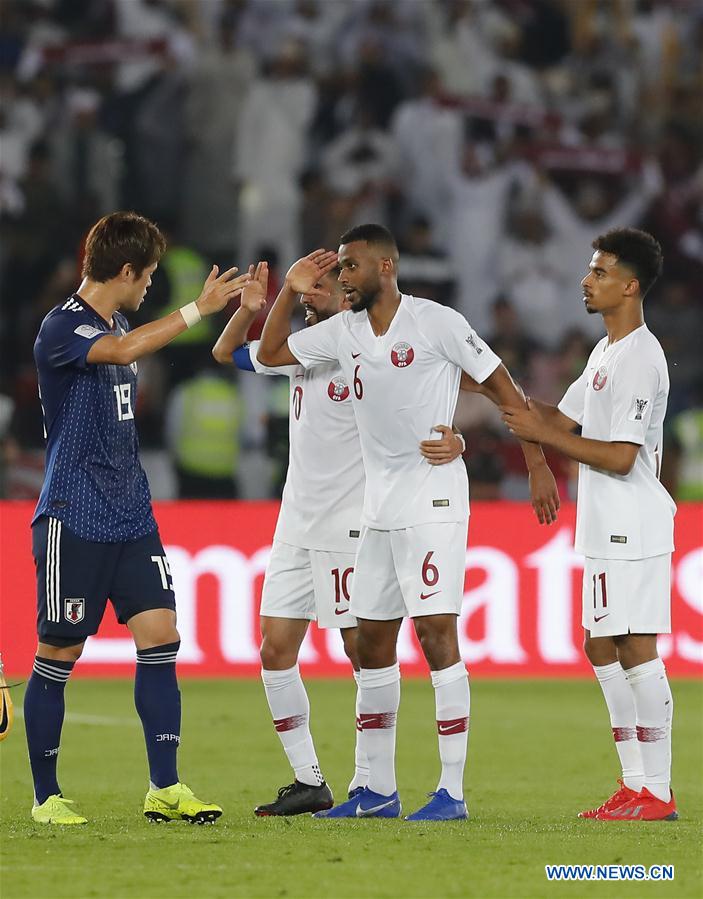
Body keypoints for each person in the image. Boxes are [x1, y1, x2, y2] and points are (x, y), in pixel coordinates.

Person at [257, 224, 560, 821]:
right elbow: (268, 356)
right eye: (339, 267)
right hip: (378, 507)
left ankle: (451, 791)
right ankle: (377, 791)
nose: (343, 276)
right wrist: (288, 294)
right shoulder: (342, 332)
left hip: (434, 500)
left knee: (436, 636)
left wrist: (537, 461)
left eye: (352, 266)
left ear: (387, 266)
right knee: (371, 642)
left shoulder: (436, 322)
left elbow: (501, 385)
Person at [212, 256, 465, 815]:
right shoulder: (301, 350)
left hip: (352, 522)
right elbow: (226, 353)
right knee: (275, 650)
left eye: (319, 287)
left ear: (348, 293)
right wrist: (259, 305)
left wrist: (457, 440)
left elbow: (425, 395)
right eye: (304, 288)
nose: (309, 295)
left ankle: (370, 783)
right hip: (295, 521)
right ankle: (309, 780)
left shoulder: (364, 353)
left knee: (362, 650)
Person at [25, 211, 251, 825]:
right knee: (59, 653)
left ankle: (165, 788)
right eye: (148, 274)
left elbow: (132, 339)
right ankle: (46, 797)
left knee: (161, 638)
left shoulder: (120, 319)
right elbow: (123, 350)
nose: (151, 284)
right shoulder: (62, 327)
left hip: (130, 514)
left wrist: (236, 312)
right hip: (73, 515)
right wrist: (198, 309)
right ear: (125, 271)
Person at [502, 227, 677, 821]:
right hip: (604, 522)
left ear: (630, 286)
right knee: (599, 642)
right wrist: (503, 395)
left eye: (599, 273)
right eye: (589, 270)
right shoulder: (604, 353)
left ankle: (658, 790)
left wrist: (543, 440)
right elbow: (562, 417)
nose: (586, 280)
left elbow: (621, 455)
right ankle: (633, 784)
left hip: (634, 520)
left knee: (635, 646)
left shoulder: (640, 358)